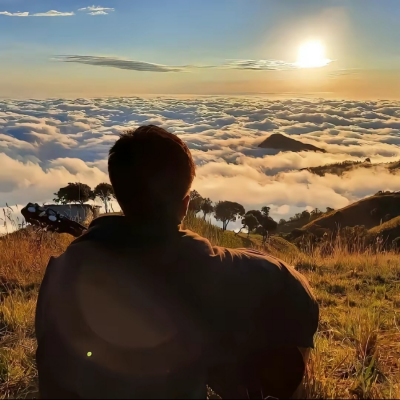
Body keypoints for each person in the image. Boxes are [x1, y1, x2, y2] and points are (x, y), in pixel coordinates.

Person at [35, 125, 319, 399]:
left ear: (120, 196)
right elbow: (296, 291)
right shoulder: (203, 265)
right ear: (184, 206)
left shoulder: (61, 269)